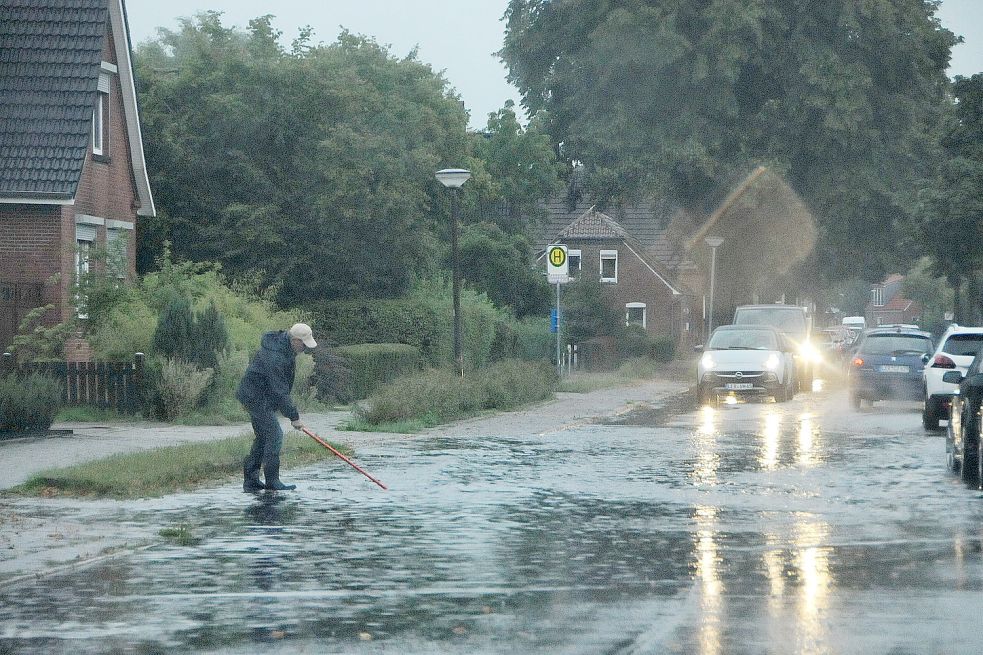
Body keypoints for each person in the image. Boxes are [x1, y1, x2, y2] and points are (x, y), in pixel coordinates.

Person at [236, 322, 317, 491]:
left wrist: (287, 410)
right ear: (294, 340)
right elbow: (279, 389)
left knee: (263, 437)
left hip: (261, 396)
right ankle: (272, 481)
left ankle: (251, 481)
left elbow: (279, 389)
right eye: (303, 344)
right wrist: (294, 417)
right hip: (254, 397)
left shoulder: (284, 348)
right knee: (275, 434)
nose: (305, 348)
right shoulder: (275, 356)